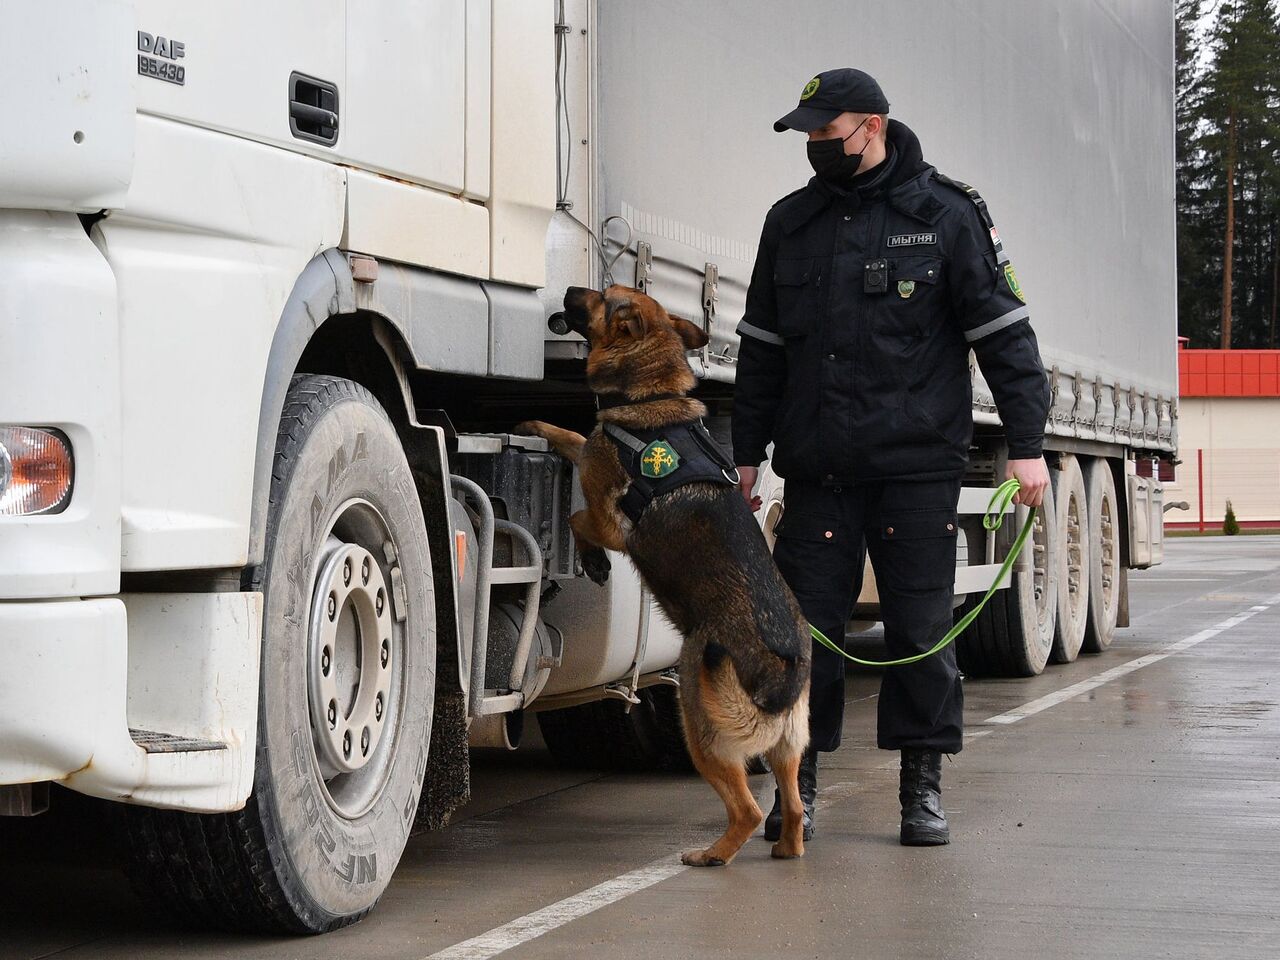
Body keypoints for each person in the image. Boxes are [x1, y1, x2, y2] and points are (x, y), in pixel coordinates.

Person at [732, 68, 1051, 846]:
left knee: (918, 634)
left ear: (872, 126)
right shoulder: (791, 223)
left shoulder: (946, 216)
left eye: (826, 132)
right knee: (801, 639)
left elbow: (1005, 337)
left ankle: (922, 785)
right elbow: (762, 351)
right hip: (820, 473)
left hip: (915, 470)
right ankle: (794, 789)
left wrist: (1029, 446)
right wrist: (746, 454)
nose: (814, 146)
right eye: (807, 134)